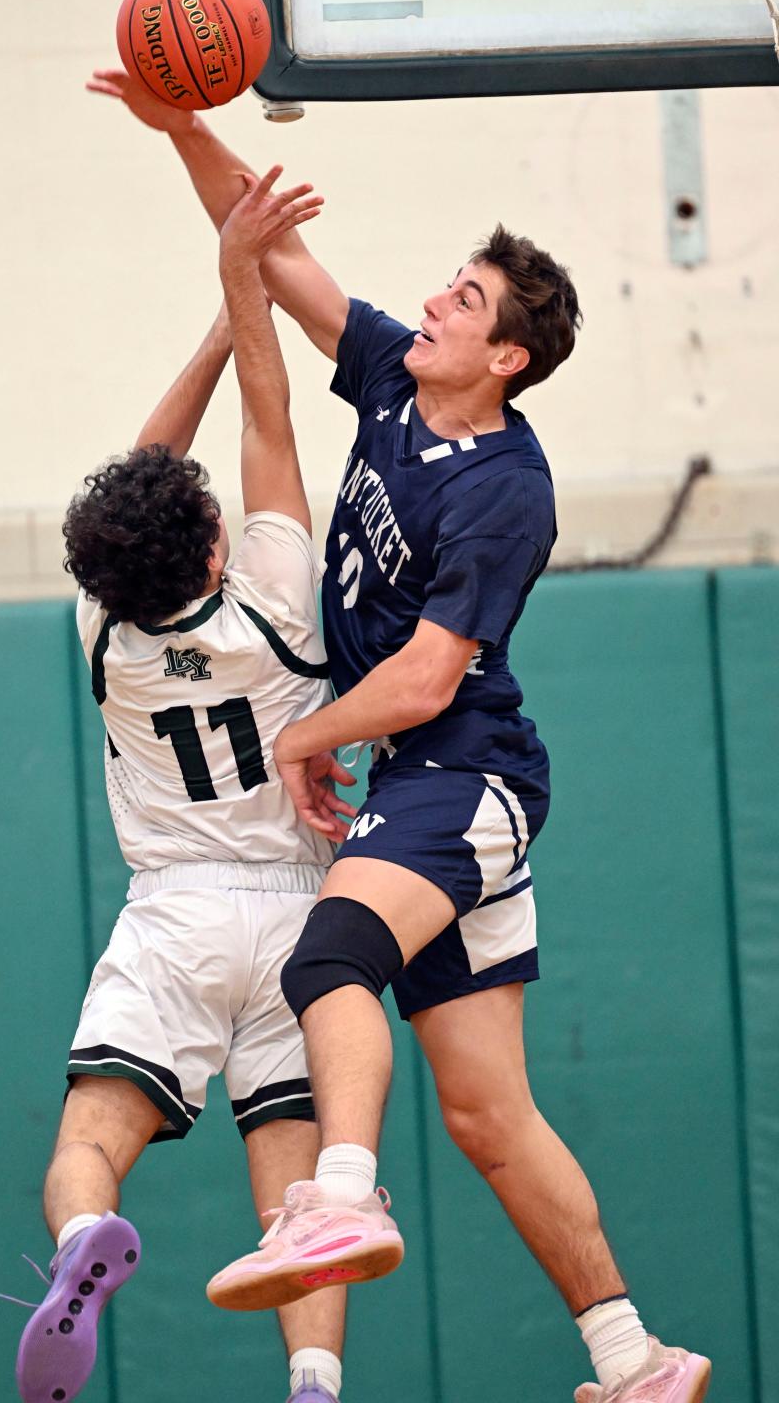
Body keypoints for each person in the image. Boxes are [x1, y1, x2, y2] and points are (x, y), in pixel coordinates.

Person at [85, 70, 712, 1403]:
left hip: (459, 775)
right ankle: (637, 1359)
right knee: (489, 1115)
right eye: (446, 286)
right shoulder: (393, 387)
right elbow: (275, 250)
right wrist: (184, 128)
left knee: (327, 963)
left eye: (466, 301)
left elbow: (428, 679)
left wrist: (308, 738)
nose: (434, 301)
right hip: (418, 783)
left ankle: (342, 1203)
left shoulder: (506, 490)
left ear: (511, 360)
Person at [6, 168, 358, 1403]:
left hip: (179, 909)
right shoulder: (273, 603)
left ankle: (77, 1246)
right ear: (213, 542)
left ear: (109, 572)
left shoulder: (104, 641)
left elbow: (139, 478)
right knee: (304, 1186)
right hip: (307, 909)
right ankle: (312, 1380)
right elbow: (272, 418)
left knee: (90, 1138)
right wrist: (246, 300)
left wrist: (215, 315)